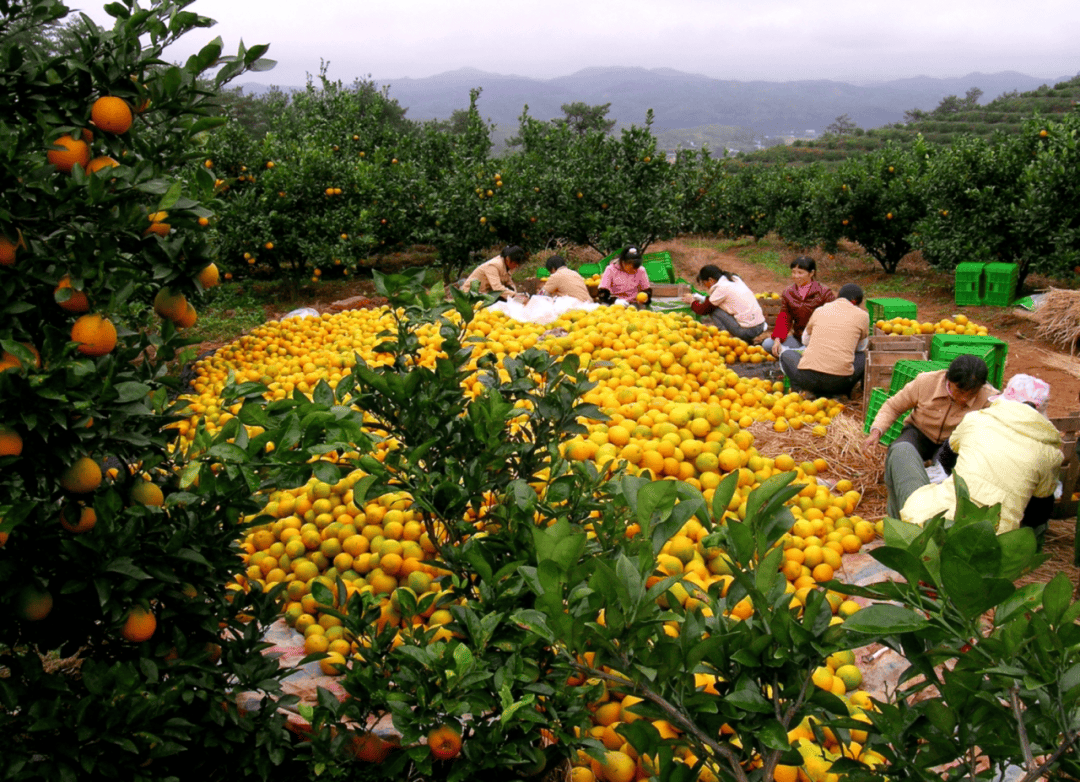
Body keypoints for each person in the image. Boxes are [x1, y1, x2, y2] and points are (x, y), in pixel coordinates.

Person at [893, 374, 1063, 541]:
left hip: (941, 521)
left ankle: (901, 534)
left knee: (900, 453)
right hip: (991, 541)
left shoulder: (975, 420)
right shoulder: (1049, 452)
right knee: (1042, 515)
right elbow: (1039, 514)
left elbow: (945, 458)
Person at [868, 355, 997, 492]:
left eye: (971, 394)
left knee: (943, 477)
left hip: (952, 443)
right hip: (918, 432)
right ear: (948, 379)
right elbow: (893, 406)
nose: (964, 398)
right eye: (959, 391)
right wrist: (877, 431)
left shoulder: (989, 397)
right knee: (901, 450)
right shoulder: (926, 382)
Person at [778, 283, 869, 399]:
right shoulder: (863, 316)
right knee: (863, 356)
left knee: (787, 354)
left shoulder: (820, 310)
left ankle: (801, 391)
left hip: (808, 380)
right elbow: (861, 347)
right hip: (839, 383)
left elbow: (805, 340)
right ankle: (845, 394)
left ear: (838, 296)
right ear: (856, 302)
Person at [762, 256, 835, 357]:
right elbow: (784, 317)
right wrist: (778, 339)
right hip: (799, 339)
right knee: (768, 344)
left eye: (800, 273)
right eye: (793, 272)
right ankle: (795, 357)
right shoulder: (789, 292)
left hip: (819, 341)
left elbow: (832, 320)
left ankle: (797, 356)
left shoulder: (824, 292)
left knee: (806, 353)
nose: (796, 276)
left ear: (811, 273)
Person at [681, 264, 766, 342]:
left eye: (704, 283)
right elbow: (715, 300)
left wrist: (692, 302)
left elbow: (704, 310)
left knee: (713, 310)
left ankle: (726, 339)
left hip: (748, 331)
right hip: (760, 326)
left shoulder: (721, 288)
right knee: (715, 305)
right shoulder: (734, 279)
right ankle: (745, 340)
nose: (705, 286)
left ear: (710, 280)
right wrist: (702, 298)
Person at [460, 245, 525, 300]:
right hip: (471, 295)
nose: (516, 266)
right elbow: (497, 288)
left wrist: (518, 295)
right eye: (515, 263)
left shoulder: (508, 266)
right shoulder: (493, 265)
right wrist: (517, 297)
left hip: (486, 293)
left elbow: (509, 282)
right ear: (508, 259)